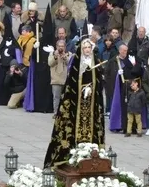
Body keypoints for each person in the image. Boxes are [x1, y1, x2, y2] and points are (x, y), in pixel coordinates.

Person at [44, 38, 106, 166]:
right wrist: (82, 90)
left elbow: (99, 85)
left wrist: (92, 89)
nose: (87, 50)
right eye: (85, 48)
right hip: (77, 105)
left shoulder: (96, 63)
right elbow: (71, 85)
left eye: (89, 47)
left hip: (91, 105)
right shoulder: (77, 65)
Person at [49, 39, 72, 114]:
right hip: (56, 79)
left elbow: (71, 64)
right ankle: (56, 113)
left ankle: (65, 113)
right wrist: (55, 57)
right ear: (56, 47)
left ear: (65, 47)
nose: (61, 48)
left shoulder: (69, 54)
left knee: (66, 98)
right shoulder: (52, 54)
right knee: (56, 98)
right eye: (59, 46)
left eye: (62, 46)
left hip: (66, 79)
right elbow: (50, 63)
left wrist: (65, 57)